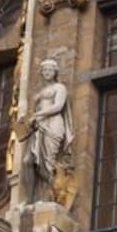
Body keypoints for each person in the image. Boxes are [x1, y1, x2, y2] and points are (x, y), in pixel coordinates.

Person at [27, 58, 74, 200]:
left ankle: (51, 196)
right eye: (45, 70)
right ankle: (32, 198)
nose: (47, 72)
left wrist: (37, 115)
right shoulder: (41, 92)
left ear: (55, 72)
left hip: (53, 124)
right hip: (39, 125)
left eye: (50, 70)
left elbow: (58, 106)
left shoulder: (60, 87)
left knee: (49, 162)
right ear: (41, 73)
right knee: (30, 161)